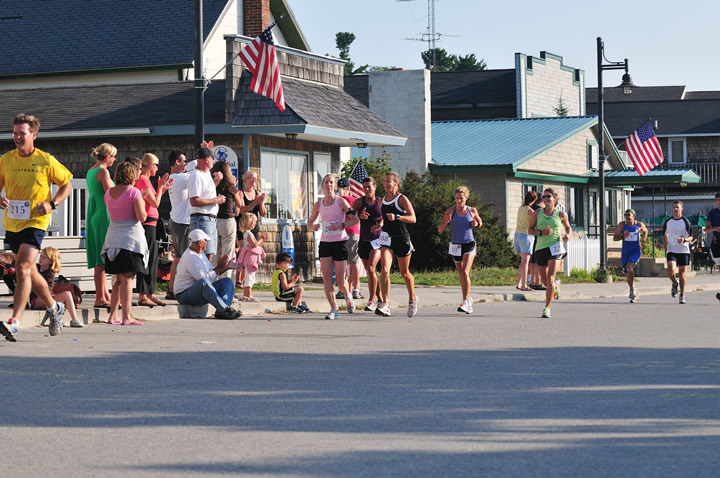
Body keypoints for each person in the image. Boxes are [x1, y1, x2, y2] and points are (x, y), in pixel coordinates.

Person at [0, 113, 73, 341]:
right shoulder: (7, 159)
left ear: (33, 135)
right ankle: (54, 307)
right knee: (29, 270)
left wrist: (52, 204)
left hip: (36, 222)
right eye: (15, 133)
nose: (18, 137)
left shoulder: (45, 160)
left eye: (22, 133)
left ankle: (14, 322)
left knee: (22, 267)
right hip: (13, 222)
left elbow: (67, 186)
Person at [102, 161, 148, 326]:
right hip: (130, 238)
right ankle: (126, 316)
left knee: (118, 280)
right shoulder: (133, 192)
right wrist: (142, 199)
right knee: (128, 278)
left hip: (112, 237)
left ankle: (112, 315)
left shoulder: (109, 193)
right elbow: (141, 217)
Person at [308, 174, 358, 320]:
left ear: (334, 186)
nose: (329, 185)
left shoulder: (341, 202)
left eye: (331, 182)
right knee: (327, 279)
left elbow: (355, 219)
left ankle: (348, 296)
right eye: (326, 182)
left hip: (340, 242)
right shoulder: (318, 204)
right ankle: (333, 309)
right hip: (325, 244)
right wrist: (314, 226)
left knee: (341, 282)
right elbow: (310, 223)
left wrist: (342, 225)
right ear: (322, 185)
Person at [174, 229, 242, 320]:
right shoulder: (191, 256)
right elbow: (202, 279)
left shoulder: (200, 254)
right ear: (199, 243)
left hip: (197, 293)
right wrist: (219, 268)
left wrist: (225, 267)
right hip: (184, 295)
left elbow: (212, 272)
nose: (207, 243)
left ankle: (223, 310)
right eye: (205, 240)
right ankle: (223, 309)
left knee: (227, 281)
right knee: (203, 282)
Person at [376, 172, 418, 318]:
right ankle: (385, 304)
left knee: (404, 272)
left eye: (389, 181)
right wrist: (379, 224)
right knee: (384, 269)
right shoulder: (382, 200)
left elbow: (413, 218)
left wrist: (397, 217)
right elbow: (383, 219)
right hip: (387, 239)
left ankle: (412, 299)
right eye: (385, 181)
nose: (386, 184)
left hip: (402, 238)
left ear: (396, 183)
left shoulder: (402, 199)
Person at [134, 153, 172, 307]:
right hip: (147, 223)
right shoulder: (143, 180)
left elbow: (155, 199)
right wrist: (161, 186)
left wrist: (161, 187)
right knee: (147, 258)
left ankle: (149, 292)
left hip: (152, 222)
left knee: (153, 258)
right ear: (150, 165)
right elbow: (155, 203)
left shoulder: (147, 181)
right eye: (156, 165)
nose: (157, 168)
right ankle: (143, 294)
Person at [438, 186, 483, 314]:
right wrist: (445, 222)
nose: (459, 201)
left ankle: (465, 301)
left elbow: (480, 222)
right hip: (456, 245)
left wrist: (477, 224)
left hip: (469, 244)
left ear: (466, 198)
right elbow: (440, 229)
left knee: (465, 272)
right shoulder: (450, 211)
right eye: (457, 198)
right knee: (461, 274)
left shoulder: (472, 210)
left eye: (461, 198)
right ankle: (468, 299)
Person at [528, 188, 571, 319]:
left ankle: (547, 308)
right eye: (545, 196)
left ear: (555, 199)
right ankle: (555, 287)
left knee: (550, 277)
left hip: (555, 247)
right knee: (546, 282)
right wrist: (541, 233)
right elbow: (530, 230)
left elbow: (568, 227)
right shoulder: (537, 213)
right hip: (540, 248)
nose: (546, 199)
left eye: (549, 196)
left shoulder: (561, 214)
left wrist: (568, 235)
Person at [86, 143, 117, 308]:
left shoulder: (91, 171)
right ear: (108, 157)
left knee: (100, 258)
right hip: (103, 215)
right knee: (101, 259)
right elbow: (111, 194)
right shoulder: (103, 171)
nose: (114, 159)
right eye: (113, 156)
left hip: (94, 213)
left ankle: (104, 295)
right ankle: (100, 297)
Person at [351, 176, 384, 312]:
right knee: (371, 273)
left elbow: (386, 218)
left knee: (371, 268)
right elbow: (349, 215)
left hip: (377, 241)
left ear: (375, 187)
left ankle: (371, 301)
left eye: (369, 187)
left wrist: (380, 225)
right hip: (363, 241)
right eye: (364, 187)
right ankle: (381, 299)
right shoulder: (359, 202)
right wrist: (359, 217)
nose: (366, 189)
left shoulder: (381, 202)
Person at [188, 147, 225, 261]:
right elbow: (194, 201)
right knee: (204, 254)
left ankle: (204, 278)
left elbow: (206, 192)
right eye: (212, 158)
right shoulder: (196, 175)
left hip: (209, 218)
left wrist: (217, 181)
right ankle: (200, 278)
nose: (213, 161)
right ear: (207, 159)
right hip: (201, 218)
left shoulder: (206, 173)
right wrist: (216, 201)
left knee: (209, 253)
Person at [31, 247, 83, 328]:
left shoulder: (50, 272)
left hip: (48, 297)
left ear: (51, 261)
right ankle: (58, 317)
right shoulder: (35, 268)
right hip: (37, 300)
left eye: (44, 257)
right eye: (40, 256)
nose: (40, 258)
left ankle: (75, 320)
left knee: (68, 293)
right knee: (49, 299)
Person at [211, 160, 243, 279]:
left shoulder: (212, 184)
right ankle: (225, 283)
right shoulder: (231, 186)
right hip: (228, 220)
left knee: (214, 254)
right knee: (227, 254)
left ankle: (213, 282)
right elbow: (239, 204)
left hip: (214, 220)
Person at [166, 150, 190, 300]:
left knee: (178, 257)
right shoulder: (181, 178)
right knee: (182, 258)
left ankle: (172, 288)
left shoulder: (173, 178)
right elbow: (200, 177)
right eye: (184, 161)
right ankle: (176, 289)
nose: (186, 164)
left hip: (176, 219)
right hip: (182, 222)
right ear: (177, 162)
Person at [236, 170, 266, 286]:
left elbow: (263, 213)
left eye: (255, 179)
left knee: (252, 252)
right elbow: (242, 210)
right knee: (243, 251)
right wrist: (255, 202)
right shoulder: (241, 193)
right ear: (246, 179)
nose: (254, 181)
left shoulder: (258, 194)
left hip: (254, 227)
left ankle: (245, 279)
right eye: (251, 178)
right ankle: (238, 279)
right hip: (243, 227)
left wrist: (261, 202)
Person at [613, 209, 648, 303]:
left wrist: (642, 241)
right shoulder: (622, 225)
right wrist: (622, 236)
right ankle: (634, 290)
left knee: (629, 267)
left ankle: (632, 290)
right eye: (625, 215)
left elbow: (645, 231)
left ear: (634, 216)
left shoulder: (639, 225)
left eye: (629, 215)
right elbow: (614, 238)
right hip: (625, 252)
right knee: (628, 274)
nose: (627, 217)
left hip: (635, 251)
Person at [662, 201, 694, 304]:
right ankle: (674, 283)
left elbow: (691, 237)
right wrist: (665, 244)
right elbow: (664, 234)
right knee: (670, 270)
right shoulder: (668, 222)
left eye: (677, 207)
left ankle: (682, 295)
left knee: (682, 273)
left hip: (683, 250)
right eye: (674, 207)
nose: (675, 209)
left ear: (682, 209)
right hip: (672, 250)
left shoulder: (685, 221)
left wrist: (684, 240)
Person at [337, 177, 363, 300]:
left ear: (348, 189)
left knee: (345, 261)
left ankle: (346, 289)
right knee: (353, 261)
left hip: (345, 232)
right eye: (340, 189)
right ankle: (355, 289)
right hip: (354, 232)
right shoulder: (355, 201)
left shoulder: (340, 201)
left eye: (342, 189)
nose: (341, 191)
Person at [236, 212, 267, 302]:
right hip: (250, 257)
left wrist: (261, 240)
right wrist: (262, 239)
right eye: (254, 221)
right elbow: (254, 245)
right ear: (248, 222)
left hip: (249, 257)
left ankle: (246, 295)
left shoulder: (247, 233)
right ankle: (248, 295)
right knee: (250, 276)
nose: (255, 223)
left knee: (249, 275)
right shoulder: (248, 234)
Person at [514, 191, 537, 292]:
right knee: (525, 262)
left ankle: (519, 283)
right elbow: (534, 223)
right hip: (526, 235)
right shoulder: (530, 210)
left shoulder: (520, 208)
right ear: (533, 200)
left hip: (517, 234)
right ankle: (524, 285)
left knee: (522, 262)